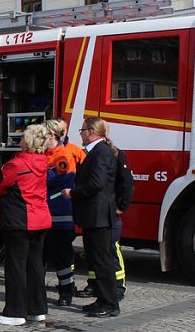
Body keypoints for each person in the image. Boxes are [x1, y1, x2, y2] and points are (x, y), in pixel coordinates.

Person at [0, 124, 52, 326]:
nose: (20, 141)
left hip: (19, 220)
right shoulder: (43, 161)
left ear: (29, 141)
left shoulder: (16, 164)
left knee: (16, 266)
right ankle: (37, 309)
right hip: (40, 219)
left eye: (23, 137)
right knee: (35, 265)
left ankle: (15, 312)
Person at [61, 117, 120, 318]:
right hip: (93, 215)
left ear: (92, 131)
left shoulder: (101, 152)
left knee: (102, 261)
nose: (81, 134)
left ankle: (110, 303)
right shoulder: (96, 152)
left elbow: (96, 183)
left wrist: (74, 193)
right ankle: (102, 299)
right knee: (96, 260)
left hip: (99, 216)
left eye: (83, 130)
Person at [75, 137, 134, 301]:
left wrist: (122, 206)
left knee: (111, 249)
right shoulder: (95, 156)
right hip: (97, 211)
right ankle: (95, 284)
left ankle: (118, 286)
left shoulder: (113, 155)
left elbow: (127, 183)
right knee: (94, 252)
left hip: (108, 211)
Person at [43, 119, 85, 306]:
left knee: (62, 256)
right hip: (44, 214)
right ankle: (36, 291)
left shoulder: (64, 155)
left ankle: (66, 292)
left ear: (51, 136)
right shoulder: (46, 154)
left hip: (60, 214)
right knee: (40, 256)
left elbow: (57, 181)